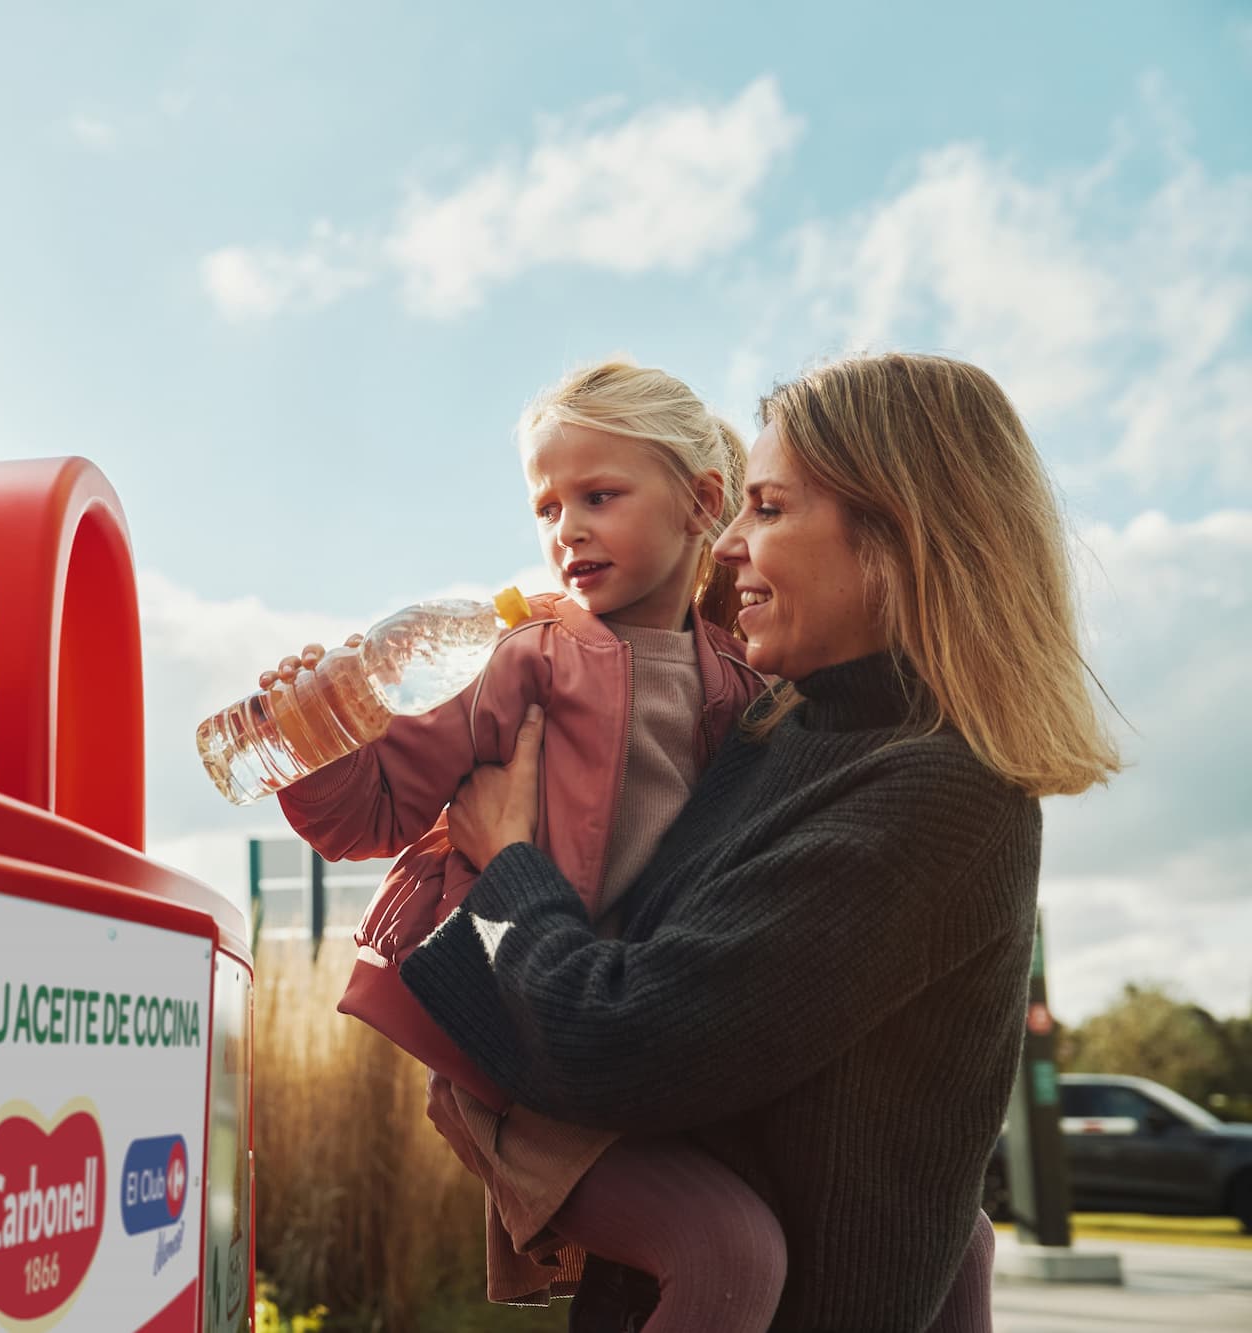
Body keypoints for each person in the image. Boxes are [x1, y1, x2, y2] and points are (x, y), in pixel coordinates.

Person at [402, 352, 1122, 1331]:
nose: (730, 544)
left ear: (898, 533)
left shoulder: (938, 795)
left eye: (770, 509)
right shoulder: (779, 727)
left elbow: (621, 1044)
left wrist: (507, 870)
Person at [263, 361, 783, 1326]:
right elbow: (372, 809)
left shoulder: (743, 688)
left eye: (599, 496)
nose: (566, 528)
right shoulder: (523, 659)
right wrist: (310, 738)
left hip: (649, 1046)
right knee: (726, 1250)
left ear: (701, 502)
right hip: (520, 1048)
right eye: (547, 506)